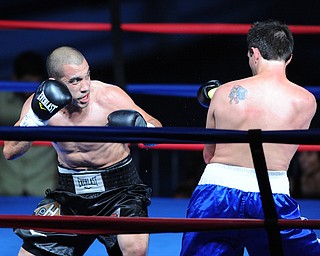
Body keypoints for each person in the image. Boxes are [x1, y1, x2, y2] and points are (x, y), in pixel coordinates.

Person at [3, 46, 162, 256]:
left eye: (87, 76)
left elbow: (157, 129)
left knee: (134, 249)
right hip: (70, 194)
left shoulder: (109, 97)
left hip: (120, 190)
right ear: (55, 82)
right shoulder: (38, 104)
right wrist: (35, 119)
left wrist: (143, 129)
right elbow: (10, 152)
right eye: (75, 81)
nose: (85, 86)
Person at [180, 20, 320, 255]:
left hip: (216, 194)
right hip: (271, 195)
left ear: (254, 53)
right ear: (289, 57)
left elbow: (208, 154)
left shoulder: (224, 93)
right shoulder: (306, 101)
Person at [0, 51, 57, 196]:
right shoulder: (2, 101)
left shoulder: (54, 104)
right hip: (7, 187)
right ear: (15, 79)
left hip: (42, 187)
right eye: (26, 82)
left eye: (34, 82)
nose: (30, 90)